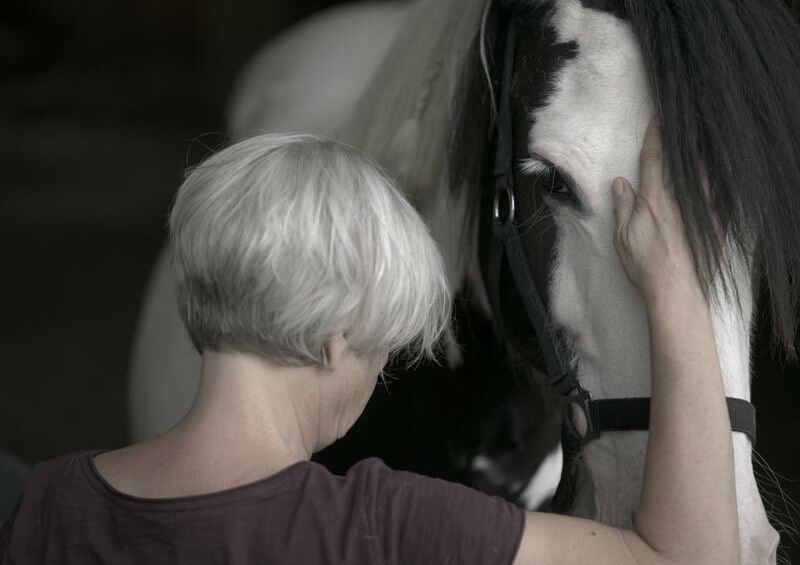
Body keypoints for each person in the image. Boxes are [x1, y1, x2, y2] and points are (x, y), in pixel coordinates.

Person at [0, 124, 738, 565]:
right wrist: (679, 292)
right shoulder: (384, 526)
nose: (378, 372)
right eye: (381, 347)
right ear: (331, 341)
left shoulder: (49, 504)